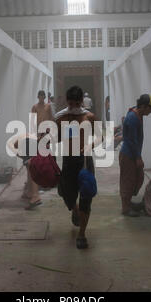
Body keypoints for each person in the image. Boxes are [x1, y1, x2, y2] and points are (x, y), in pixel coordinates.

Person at [55, 86, 101, 250]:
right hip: (68, 161)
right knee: (66, 194)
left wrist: (90, 145)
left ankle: (82, 234)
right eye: (70, 103)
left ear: (82, 102)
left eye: (76, 103)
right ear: (66, 101)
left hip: (85, 161)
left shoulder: (89, 117)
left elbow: (101, 136)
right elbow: (57, 138)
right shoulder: (60, 117)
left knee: (86, 196)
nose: (73, 106)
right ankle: (74, 209)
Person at [7, 133, 42, 210]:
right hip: (33, 142)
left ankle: (35, 196)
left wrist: (25, 158)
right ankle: (30, 193)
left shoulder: (11, 144)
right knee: (29, 170)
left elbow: (17, 153)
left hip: (28, 143)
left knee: (31, 171)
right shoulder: (19, 139)